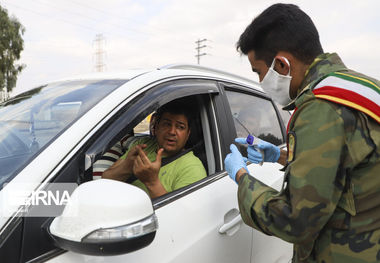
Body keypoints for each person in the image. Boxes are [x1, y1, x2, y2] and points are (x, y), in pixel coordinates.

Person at [224, 3, 380, 263]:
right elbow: (351, 164)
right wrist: (280, 157)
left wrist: (242, 178)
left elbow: (297, 220)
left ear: (282, 65)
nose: (261, 83)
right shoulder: (363, 88)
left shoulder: (320, 107)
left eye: (259, 72)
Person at [103, 99, 207, 199]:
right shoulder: (143, 145)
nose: (172, 131)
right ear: (156, 128)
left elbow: (182, 214)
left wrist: (152, 182)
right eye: (166, 124)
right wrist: (128, 165)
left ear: (188, 134)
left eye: (180, 127)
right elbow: (105, 180)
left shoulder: (192, 168)